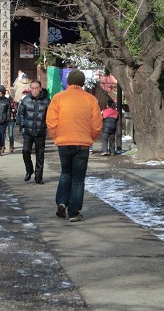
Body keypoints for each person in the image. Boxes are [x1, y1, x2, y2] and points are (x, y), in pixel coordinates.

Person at [46, 69, 102, 222]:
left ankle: (62, 202)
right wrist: (90, 138)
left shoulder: (58, 98)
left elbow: (51, 121)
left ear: (68, 81)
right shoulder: (90, 99)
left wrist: (56, 136)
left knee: (65, 173)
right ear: (83, 83)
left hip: (63, 141)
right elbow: (97, 125)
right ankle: (74, 212)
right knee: (78, 179)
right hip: (82, 143)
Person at [17, 80, 50, 184]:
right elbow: (21, 113)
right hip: (28, 131)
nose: (35, 90)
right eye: (33, 88)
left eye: (37, 88)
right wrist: (23, 123)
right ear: (30, 89)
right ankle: (29, 170)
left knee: (40, 155)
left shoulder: (46, 101)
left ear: (40, 88)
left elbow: (51, 115)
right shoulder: (26, 100)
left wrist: (48, 125)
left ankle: (38, 177)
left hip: (40, 131)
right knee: (25, 151)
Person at [5, 89, 18, 153]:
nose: (6, 95)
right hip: (4, 119)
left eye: (7, 93)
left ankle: (11, 145)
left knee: (11, 133)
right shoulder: (2, 101)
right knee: (3, 133)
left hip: (11, 118)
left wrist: (14, 110)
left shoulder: (12, 101)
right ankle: (3, 145)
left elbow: (16, 108)